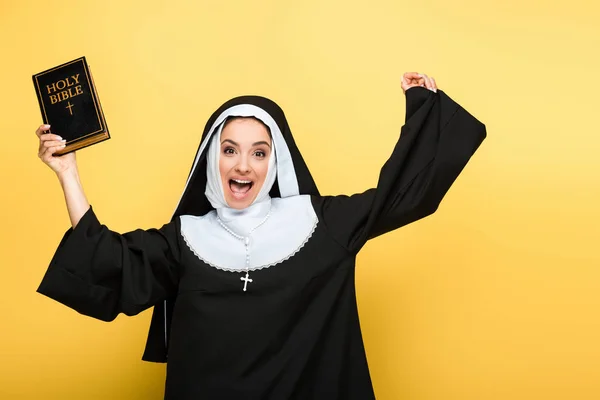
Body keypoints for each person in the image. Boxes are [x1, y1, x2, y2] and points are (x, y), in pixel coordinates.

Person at [36, 72, 486, 399]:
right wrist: (67, 173)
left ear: (276, 163)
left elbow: (403, 195)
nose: (243, 166)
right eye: (229, 150)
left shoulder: (321, 223)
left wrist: (423, 113)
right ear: (213, 159)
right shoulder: (185, 239)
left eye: (259, 152)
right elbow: (106, 262)